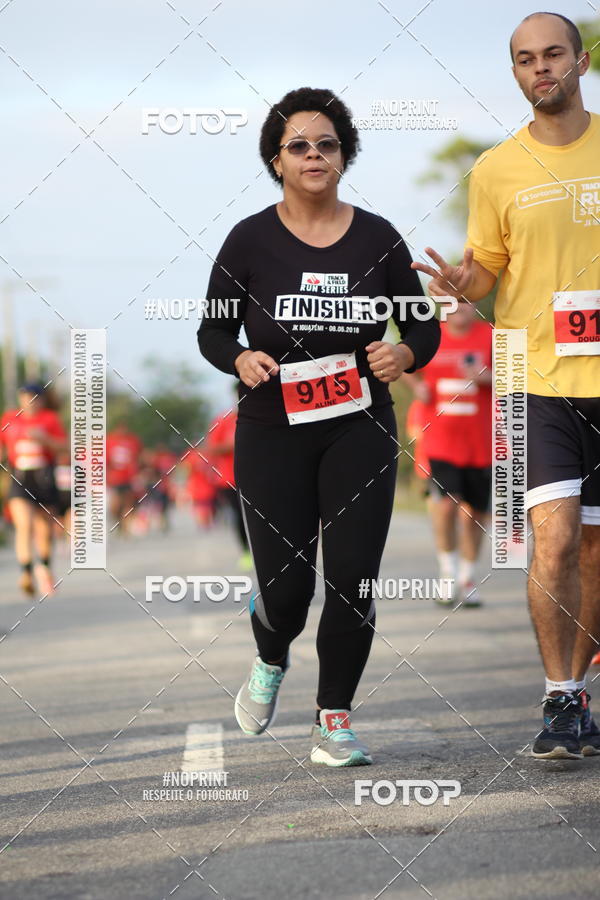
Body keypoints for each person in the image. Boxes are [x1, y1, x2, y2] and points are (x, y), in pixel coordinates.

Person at [198, 87, 440, 766]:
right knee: (286, 589)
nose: (313, 155)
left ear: (344, 154)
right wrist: (239, 356)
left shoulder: (377, 236)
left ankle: (333, 718)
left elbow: (419, 323)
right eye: (298, 145)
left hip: (359, 423)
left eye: (326, 144)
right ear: (276, 160)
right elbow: (212, 330)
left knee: (355, 576)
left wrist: (407, 352)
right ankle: (269, 657)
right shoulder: (248, 238)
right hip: (272, 427)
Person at [412, 13, 600, 759]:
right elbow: (485, 269)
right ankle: (560, 701)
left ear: (580, 59)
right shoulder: (495, 170)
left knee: (592, 550)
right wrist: (465, 281)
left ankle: (580, 686)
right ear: (516, 74)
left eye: (553, 53)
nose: (540, 68)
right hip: (532, 375)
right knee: (552, 539)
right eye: (525, 60)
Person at [403, 303, 493, 608]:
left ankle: (467, 577)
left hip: (481, 442)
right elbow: (402, 361)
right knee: (446, 505)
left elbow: (517, 377)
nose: (460, 309)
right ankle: (447, 574)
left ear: (474, 307)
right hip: (440, 441)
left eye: (467, 301)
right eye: (452, 303)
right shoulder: (431, 336)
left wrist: (487, 378)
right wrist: (417, 387)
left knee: (476, 514)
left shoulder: (491, 335)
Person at [0, 383, 66, 597]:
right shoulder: (9, 419)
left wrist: (44, 439)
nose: (29, 401)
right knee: (24, 525)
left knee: (44, 529)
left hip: (44, 477)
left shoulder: (50, 419)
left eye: (34, 397)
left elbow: (64, 448)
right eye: (25, 397)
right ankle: (26, 573)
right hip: (20, 477)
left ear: (42, 400)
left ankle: (44, 568)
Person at [207, 409, 252, 569]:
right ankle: (246, 551)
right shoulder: (223, 420)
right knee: (240, 516)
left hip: (256, 476)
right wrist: (233, 444)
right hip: (229, 479)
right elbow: (211, 448)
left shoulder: (260, 415)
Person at [106, 422, 142, 534]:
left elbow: (138, 457)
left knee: (128, 502)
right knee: (115, 505)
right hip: (115, 478)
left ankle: (126, 527)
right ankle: (119, 521)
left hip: (129, 478)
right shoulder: (109, 441)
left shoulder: (133, 440)